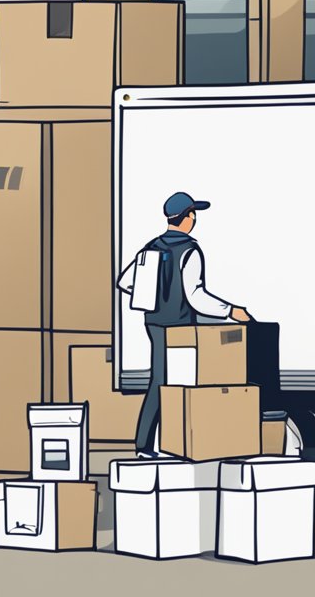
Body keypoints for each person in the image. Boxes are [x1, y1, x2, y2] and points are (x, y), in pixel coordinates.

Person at [117, 191, 254, 458]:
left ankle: (150, 445)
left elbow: (124, 282)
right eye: (194, 214)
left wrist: (152, 293)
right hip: (180, 327)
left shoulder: (151, 247)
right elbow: (196, 296)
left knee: (159, 380)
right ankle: (167, 443)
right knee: (183, 384)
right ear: (187, 217)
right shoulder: (189, 250)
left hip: (155, 324)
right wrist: (230, 311)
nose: (194, 219)